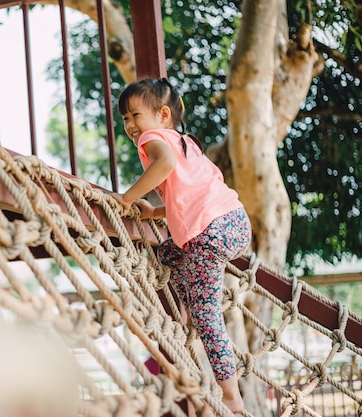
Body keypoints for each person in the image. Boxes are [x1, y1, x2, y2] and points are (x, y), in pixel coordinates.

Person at [111, 78, 251, 414]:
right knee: (169, 255)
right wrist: (155, 211)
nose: (130, 126)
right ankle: (182, 319)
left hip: (209, 231)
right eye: (125, 120)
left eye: (134, 116)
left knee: (207, 317)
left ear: (162, 115)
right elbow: (187, 196)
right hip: (233, 222)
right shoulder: (185, 142)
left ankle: (230, 396)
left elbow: (165, 167)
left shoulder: (152, 138)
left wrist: (127, 198)